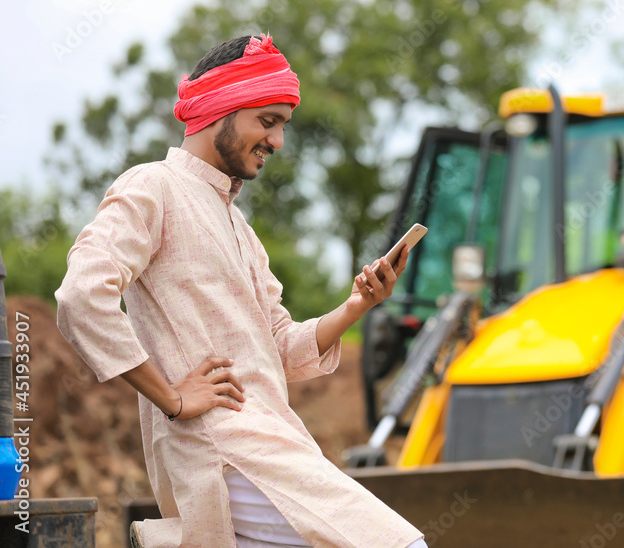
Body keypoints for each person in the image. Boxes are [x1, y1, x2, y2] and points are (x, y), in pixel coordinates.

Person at [55, 34, 427, 548]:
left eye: (281, 126)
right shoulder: (153, 186)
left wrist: (357, 304)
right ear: (220, 110)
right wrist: (171, 397)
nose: (277, 141)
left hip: (269, 440)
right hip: (226, 448)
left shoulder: (238, 226)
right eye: (267, 121)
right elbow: (81, 296)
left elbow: (277, 349)